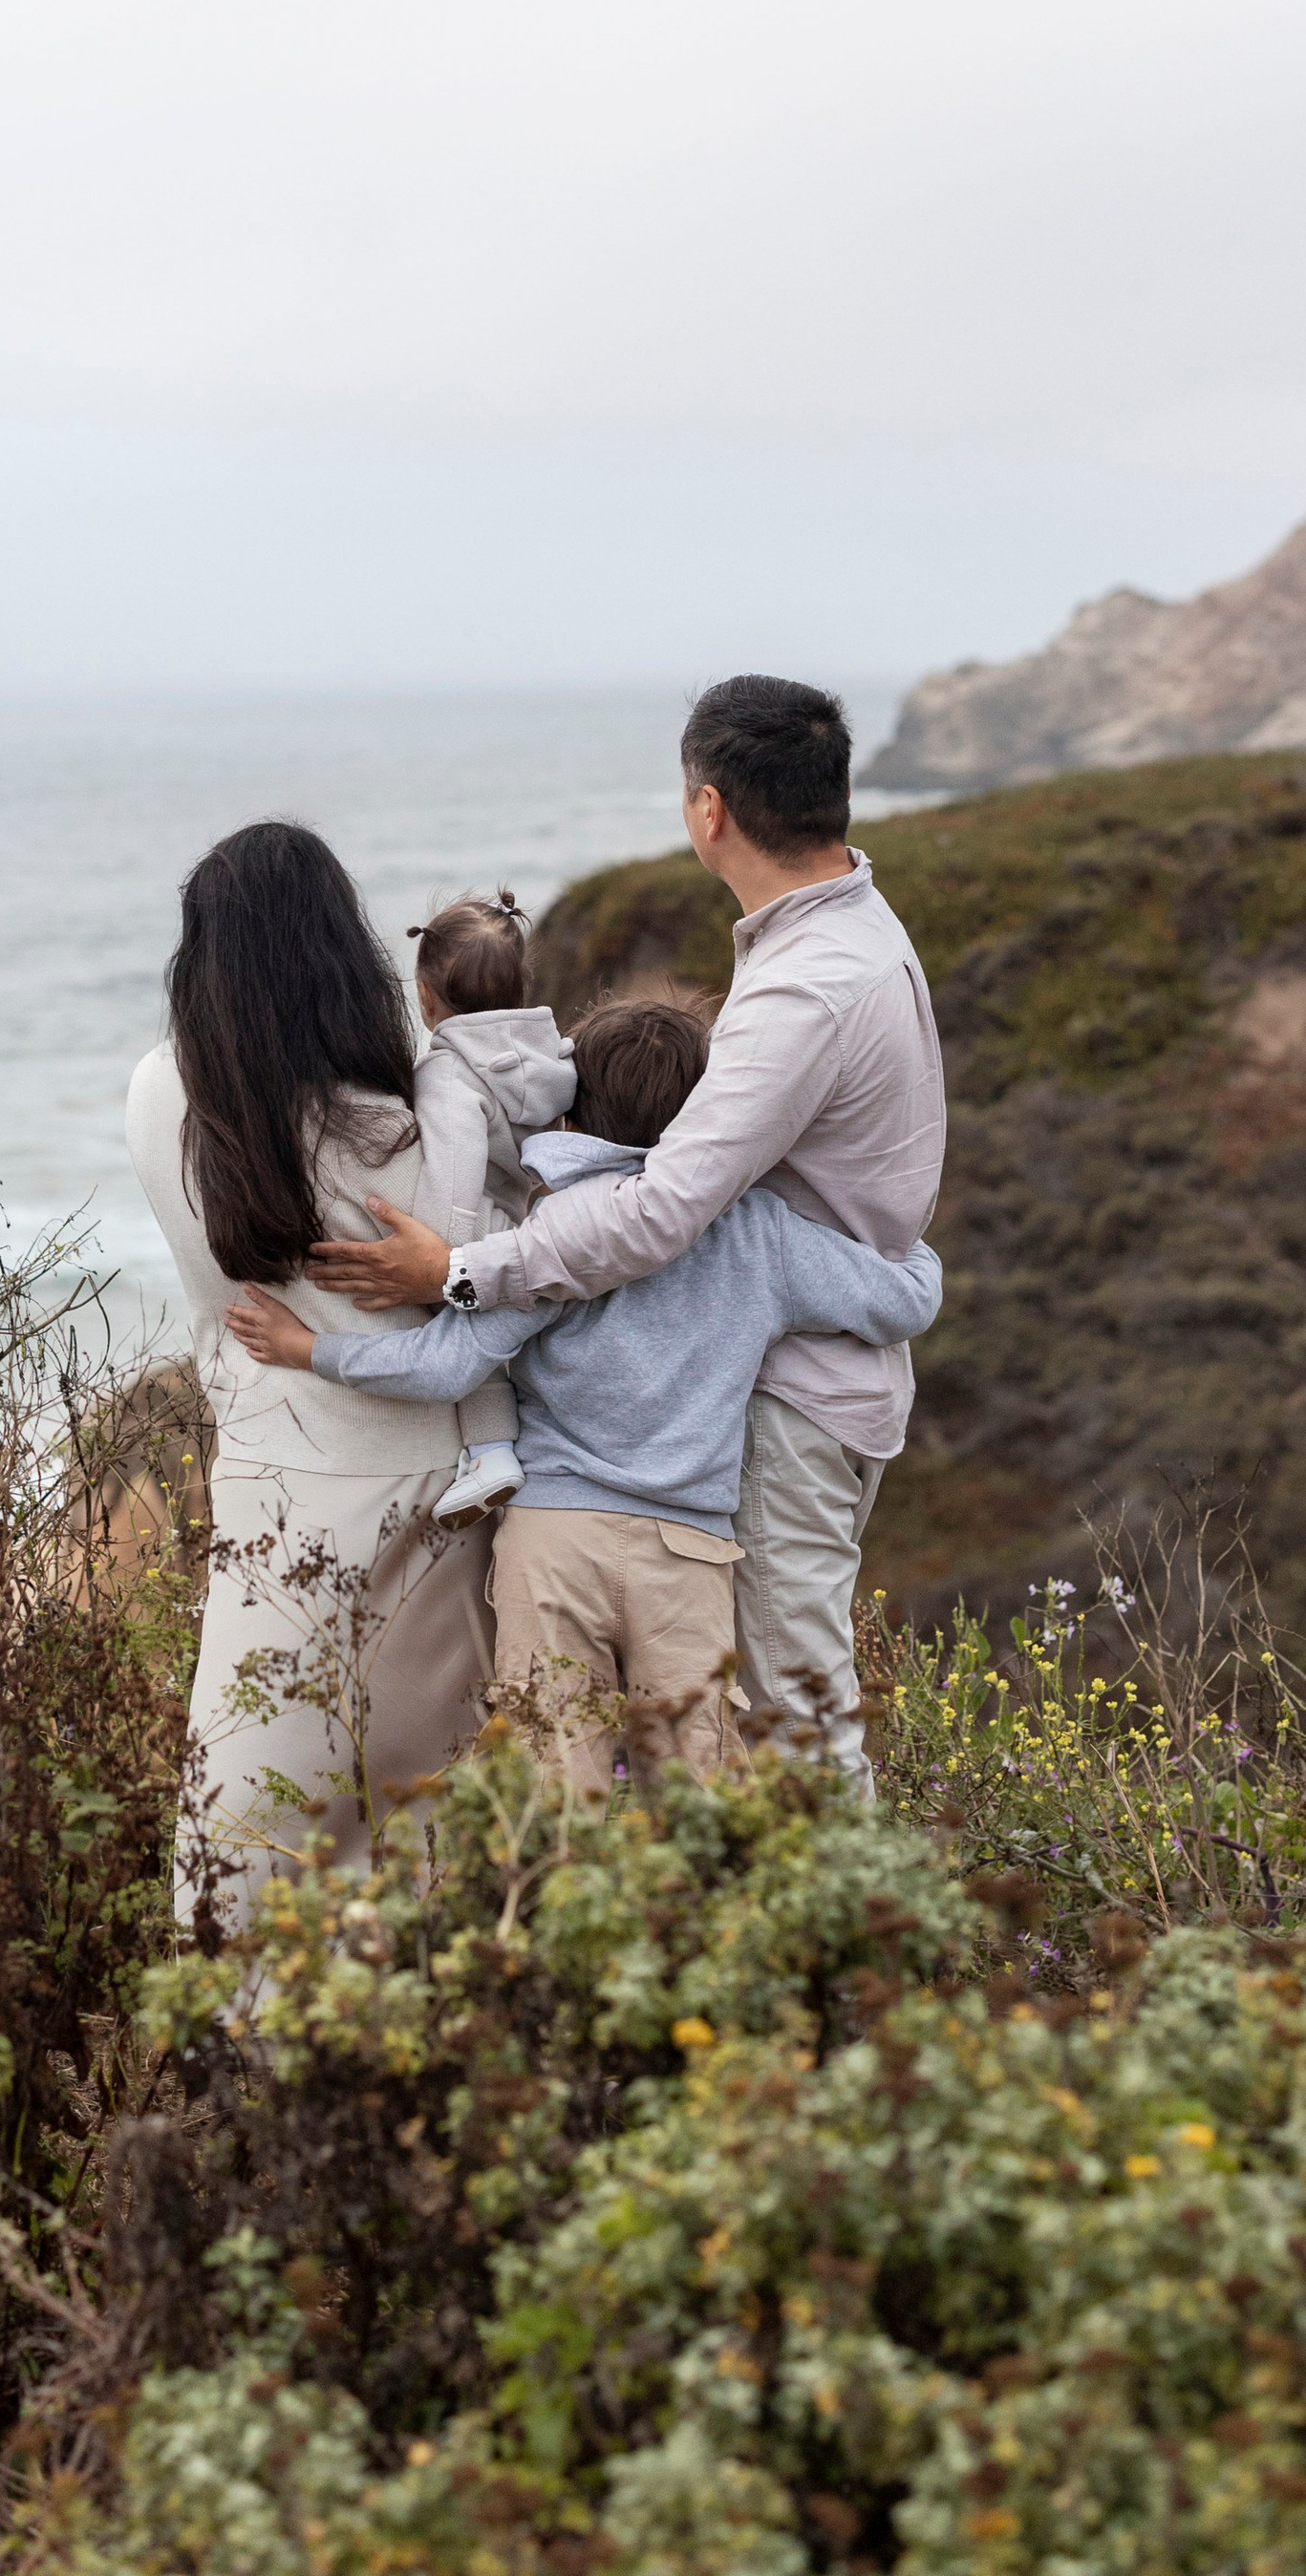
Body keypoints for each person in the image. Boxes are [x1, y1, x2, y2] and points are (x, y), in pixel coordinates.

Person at [306, 675, 946, 1787]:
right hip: (823, 1348)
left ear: (708, 811)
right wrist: (912, 1267)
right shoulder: (854, 930)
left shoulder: (803, 989)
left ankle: (830, 1951)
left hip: (793, 1399)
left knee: (788, 1719)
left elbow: (657, 1213)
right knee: (741, 1727)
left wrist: (460, 1270)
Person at [228, 995, 939, 1792]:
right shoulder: (760, 1234)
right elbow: (903, 1304)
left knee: (557, 1791)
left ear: (570, 1117)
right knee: (701, 1797)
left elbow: (442, 1369)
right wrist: (917, 1255)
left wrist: (310, 1348)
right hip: (689, 1550)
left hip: (552, 1543)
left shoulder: (550, 1235)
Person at [125, 820, 493, 1926]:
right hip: (429, 1488)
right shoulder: (410, 1136)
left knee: (244, 1836)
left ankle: (247, 2071)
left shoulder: (162, 1098)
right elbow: (490, 1274)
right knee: (427, 1829)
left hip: (269, 1486)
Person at [404, 890, 577, 1526]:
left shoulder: (449, 1076)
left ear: (426, 997)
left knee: (474, 1354)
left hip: (486, 1239)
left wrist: (434, 1270)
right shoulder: (553, 1057)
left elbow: (452, 1188)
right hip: (547, 1228)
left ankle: (490, 1453)